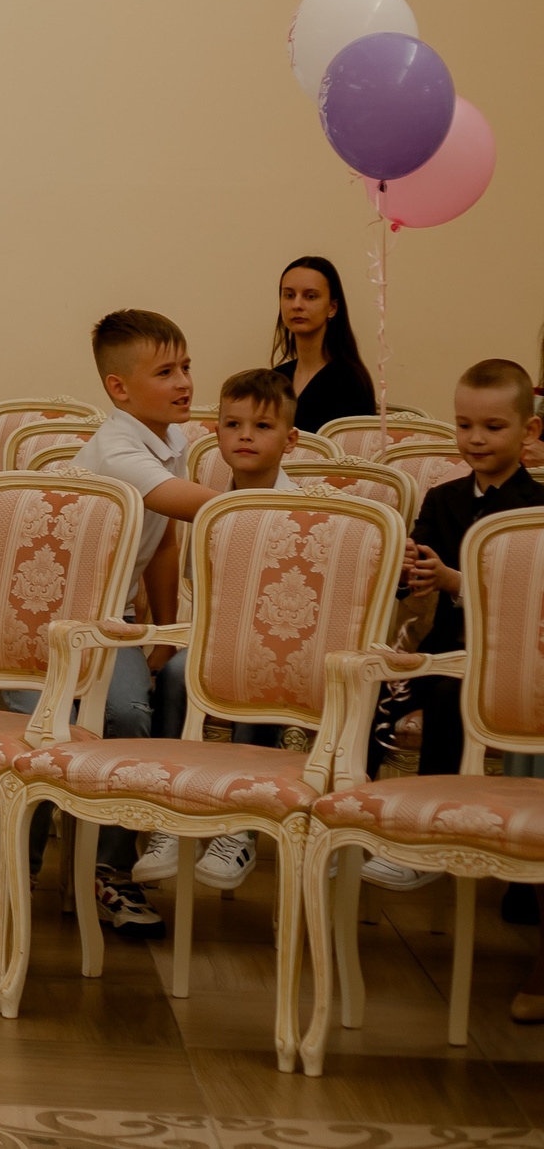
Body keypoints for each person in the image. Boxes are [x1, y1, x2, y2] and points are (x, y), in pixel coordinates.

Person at [59, 309, 226, 935]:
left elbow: (162, 543)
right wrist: (287, 504)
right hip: (72, 618)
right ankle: (86, 867)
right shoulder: (117, 448)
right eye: (166, 371)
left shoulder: (173, 439)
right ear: (119, 389)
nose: (184, 381)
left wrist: (163, 632)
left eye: (186, 366)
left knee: (182, 679)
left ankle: (134, 844)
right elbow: (185, 507)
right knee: (124, 713)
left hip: (120, 616)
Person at [131, 366, 319, 896]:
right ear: (215, 433)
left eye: (261, 426)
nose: (245, 436)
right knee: (172, 679)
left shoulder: (307, 512)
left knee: (254, 686)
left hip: (283, 653)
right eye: (232, 424)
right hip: (218, 644)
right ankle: (174, 812)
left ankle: (241, 820)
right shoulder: (204, 506)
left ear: (290, 439)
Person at [368, 359, 544, 908]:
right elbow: (415, 563)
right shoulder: (443, 498)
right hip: (442, 650)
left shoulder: (535, 509)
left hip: (505, 665)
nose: (475, 438)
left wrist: (454, 580)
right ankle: (367, 828)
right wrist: (411, 569)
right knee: (367, 692)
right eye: (465, 425)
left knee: (449, 696)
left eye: (493, 427)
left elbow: (525, 598)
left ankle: (433, 839)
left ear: (528, 432)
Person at [269, 256, 377, 431]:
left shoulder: (349, 381)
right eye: (289, 295)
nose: (297, 305)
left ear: (332, 308)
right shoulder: (276, 379)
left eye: (310, 296)